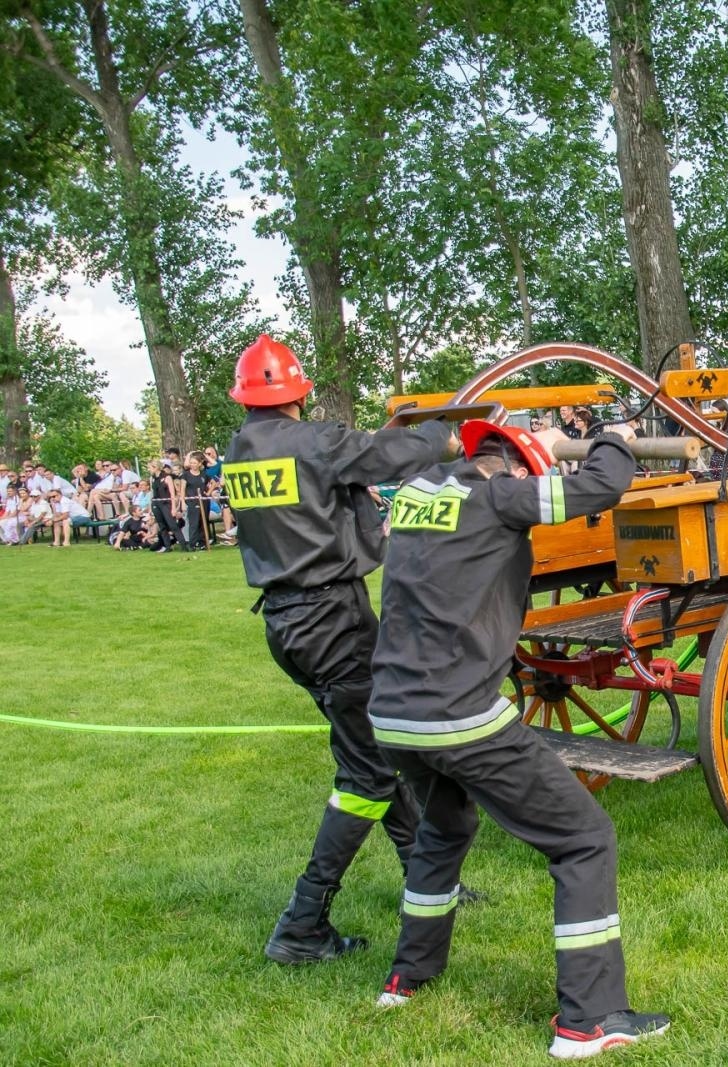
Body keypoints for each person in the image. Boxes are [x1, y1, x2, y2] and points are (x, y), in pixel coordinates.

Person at [365, 419, 669, 1057]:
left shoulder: (420, 492)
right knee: (584, 839)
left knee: (442, 829)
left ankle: (407, 978)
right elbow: (604, 485)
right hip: (459, 715)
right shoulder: (504, 498)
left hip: (391, 714)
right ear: (525, 469)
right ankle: (589, 1020)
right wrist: (611, 435)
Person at [222, 334, 460, 965]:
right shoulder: (310, 441)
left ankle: (428, 879)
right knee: (368, 773)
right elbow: (385, 454)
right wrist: (445, 435)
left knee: (379, 746)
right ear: (296, 394)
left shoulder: (240, 451)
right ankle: (301, 924)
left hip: (287, 620)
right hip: (332, 619)